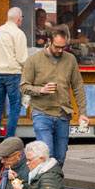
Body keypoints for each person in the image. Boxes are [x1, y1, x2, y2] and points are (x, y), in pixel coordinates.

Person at [21, 24, 83, 163]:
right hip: (42, 113)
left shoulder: (70, 59)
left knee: (60, 157)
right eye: (57, 47)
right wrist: (40, 90)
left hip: (63, 114)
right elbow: (24, 86)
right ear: (49, 41)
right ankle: (46, 184)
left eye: (63, 47)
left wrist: (82, 113)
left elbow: (78, 87)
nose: (60, 50)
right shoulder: (33, 60)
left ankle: (53, 183)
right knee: (46, 156)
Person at [0, 4, 30, 144]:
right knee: (14, 107)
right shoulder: (18, 33)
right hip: (13, 73)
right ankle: (9, 140)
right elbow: (22, 58)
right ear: (19, 19)